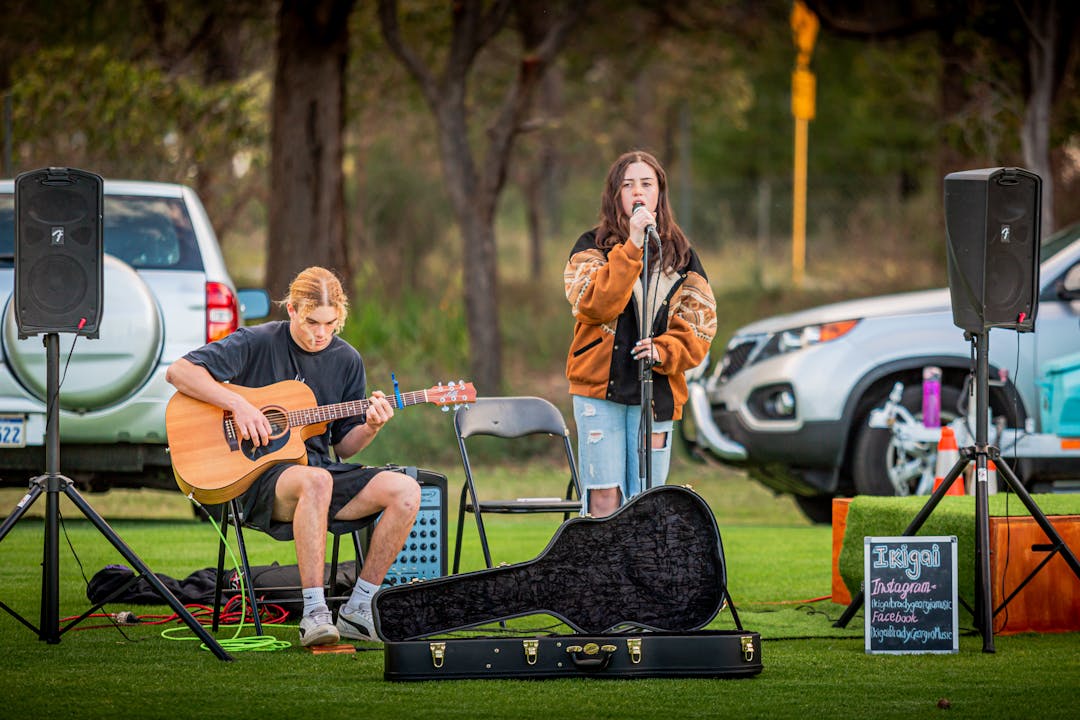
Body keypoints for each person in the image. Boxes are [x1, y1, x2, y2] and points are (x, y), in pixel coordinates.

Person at [165, 266, 419, 647]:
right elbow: (179, 371)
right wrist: (238, 404)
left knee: (406, 490)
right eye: (312, 322)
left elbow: (344, 446)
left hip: (319, 472)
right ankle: (315, 614)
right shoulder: (257, 341)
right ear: (293, 311)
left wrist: (370, 426)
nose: (320, 333)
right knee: (316, 481)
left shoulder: (347, 360)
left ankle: (359, 609)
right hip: (258, 479)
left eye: (330, 324)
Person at [564, 150, 716, 517]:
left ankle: (642, 576)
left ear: (659, 194)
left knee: (646, 503)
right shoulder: (590, 248)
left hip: (657, 392)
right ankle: (602, 574)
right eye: (628, 184)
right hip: (600, 393)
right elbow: (593, 305)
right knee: (603, 500)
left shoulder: (681, 256)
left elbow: (700, 328)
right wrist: (632, 247)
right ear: (615, 194)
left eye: (646, 184)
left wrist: (665, 350)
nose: (637, 192)